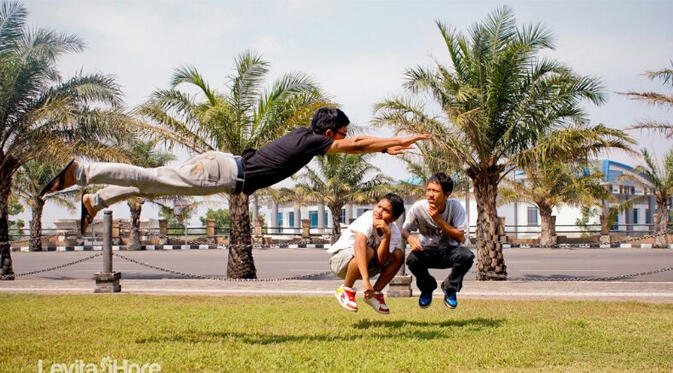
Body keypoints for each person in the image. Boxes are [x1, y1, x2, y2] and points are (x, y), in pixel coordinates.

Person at [40, 107, 429, 233]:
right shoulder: (314, 141)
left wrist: (388, 145)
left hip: (221, 166)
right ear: (329, 132)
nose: (343, 139)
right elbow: (356, 146)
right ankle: (83, 172)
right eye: (340, 134)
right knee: (149, 178)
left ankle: (95, 200)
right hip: (223, 173)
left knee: (154, 186)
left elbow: (351, 149)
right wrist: (398, 140)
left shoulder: (305, 135)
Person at [402, 172, 474, 309]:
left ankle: (450, 288)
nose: (430, 194)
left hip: (449, 251)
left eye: (435, 191)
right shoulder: (419, 207)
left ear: (447, 194)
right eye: (428, 190)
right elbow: (404, 229)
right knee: (412, 260)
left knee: (467, 256)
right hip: (428, 250)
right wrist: (409, 237)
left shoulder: (455, 207)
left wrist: (438, 219)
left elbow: (460, 237)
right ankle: (427, 288)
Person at [328, 193, 405, 314]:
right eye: (379, 206)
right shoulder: (368, 217)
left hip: (364, 266)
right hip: (340, 262)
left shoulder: (393, 231)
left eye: (386, 210)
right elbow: (359, 244)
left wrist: (386, 236)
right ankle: (346, 290)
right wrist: (366, 281)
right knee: (368, 250)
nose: (379, 211)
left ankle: (375, 294)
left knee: (398, 255)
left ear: (394, 218)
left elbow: (381, 260)